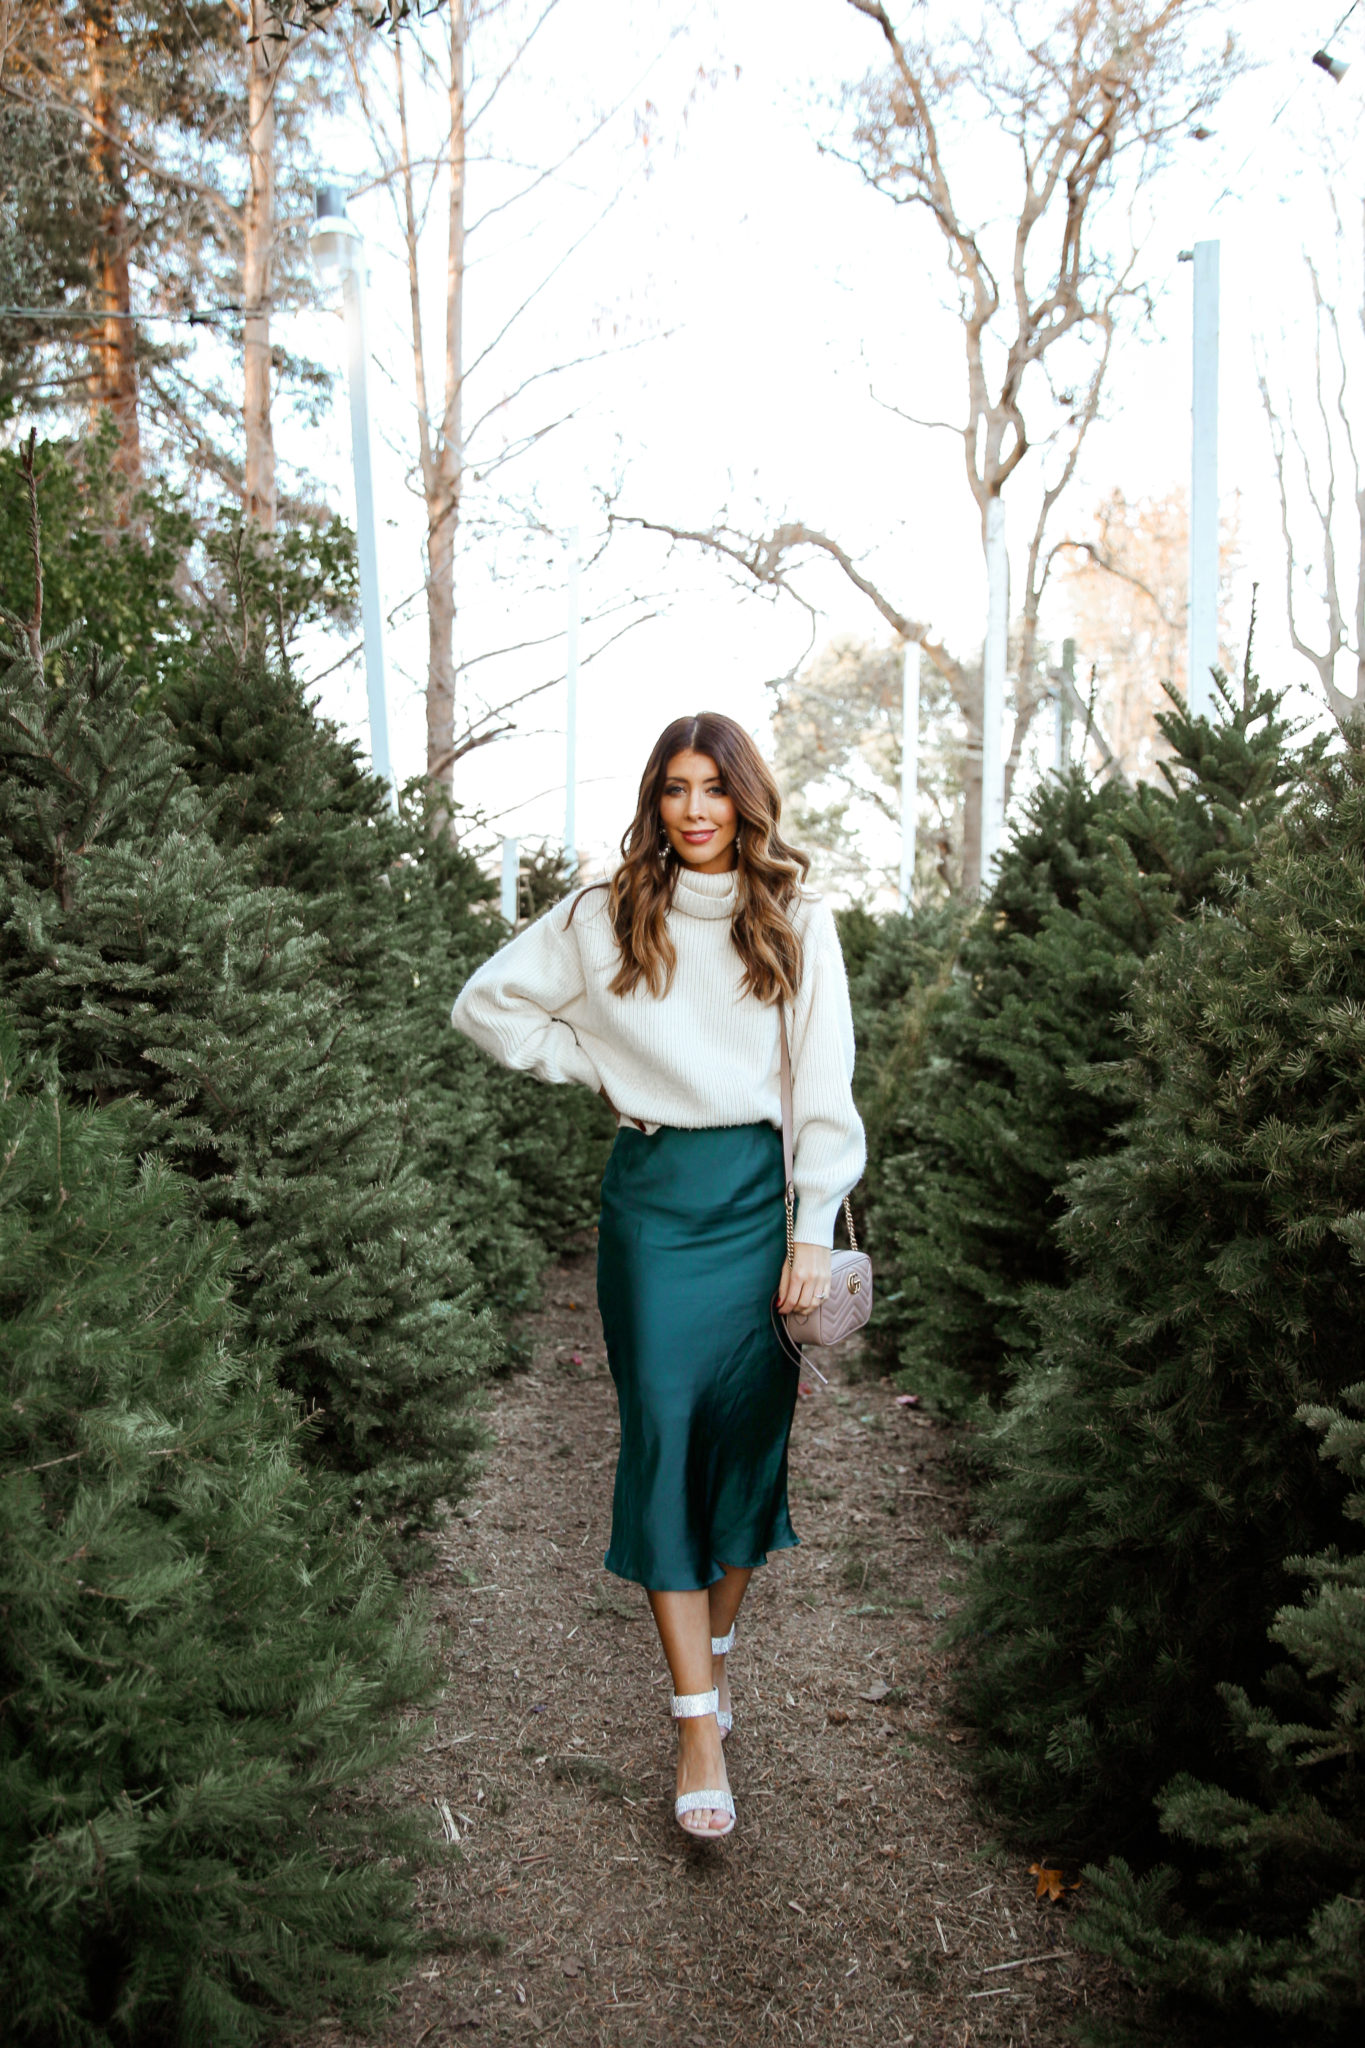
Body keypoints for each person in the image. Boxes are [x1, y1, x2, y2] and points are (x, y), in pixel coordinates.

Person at [450, 712, 865, 1842]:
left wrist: (813, 1226)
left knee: (745, 1446)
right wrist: (595, 1063)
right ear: (656, 798)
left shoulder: (793, 917)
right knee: (667, 1440)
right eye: (675, 787)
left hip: (762, 1200)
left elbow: (825, 1080)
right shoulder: (601, 914)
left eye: (714, 788)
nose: (694, 808)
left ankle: (715, 1653)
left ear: (745, 799)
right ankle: (695, 1722)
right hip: (653, 1208)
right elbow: (485, 1004)